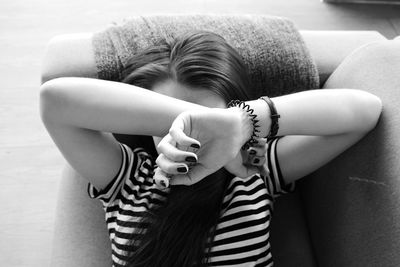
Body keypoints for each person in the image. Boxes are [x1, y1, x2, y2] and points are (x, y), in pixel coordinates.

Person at [39, 31, 383, 267]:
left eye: (206, 121)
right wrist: (183, 119)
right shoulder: (129, 177)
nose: (193, 139)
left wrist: (241, 123)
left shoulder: (251, 170)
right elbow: (55, 100)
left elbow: (363, 110)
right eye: (166, 126)